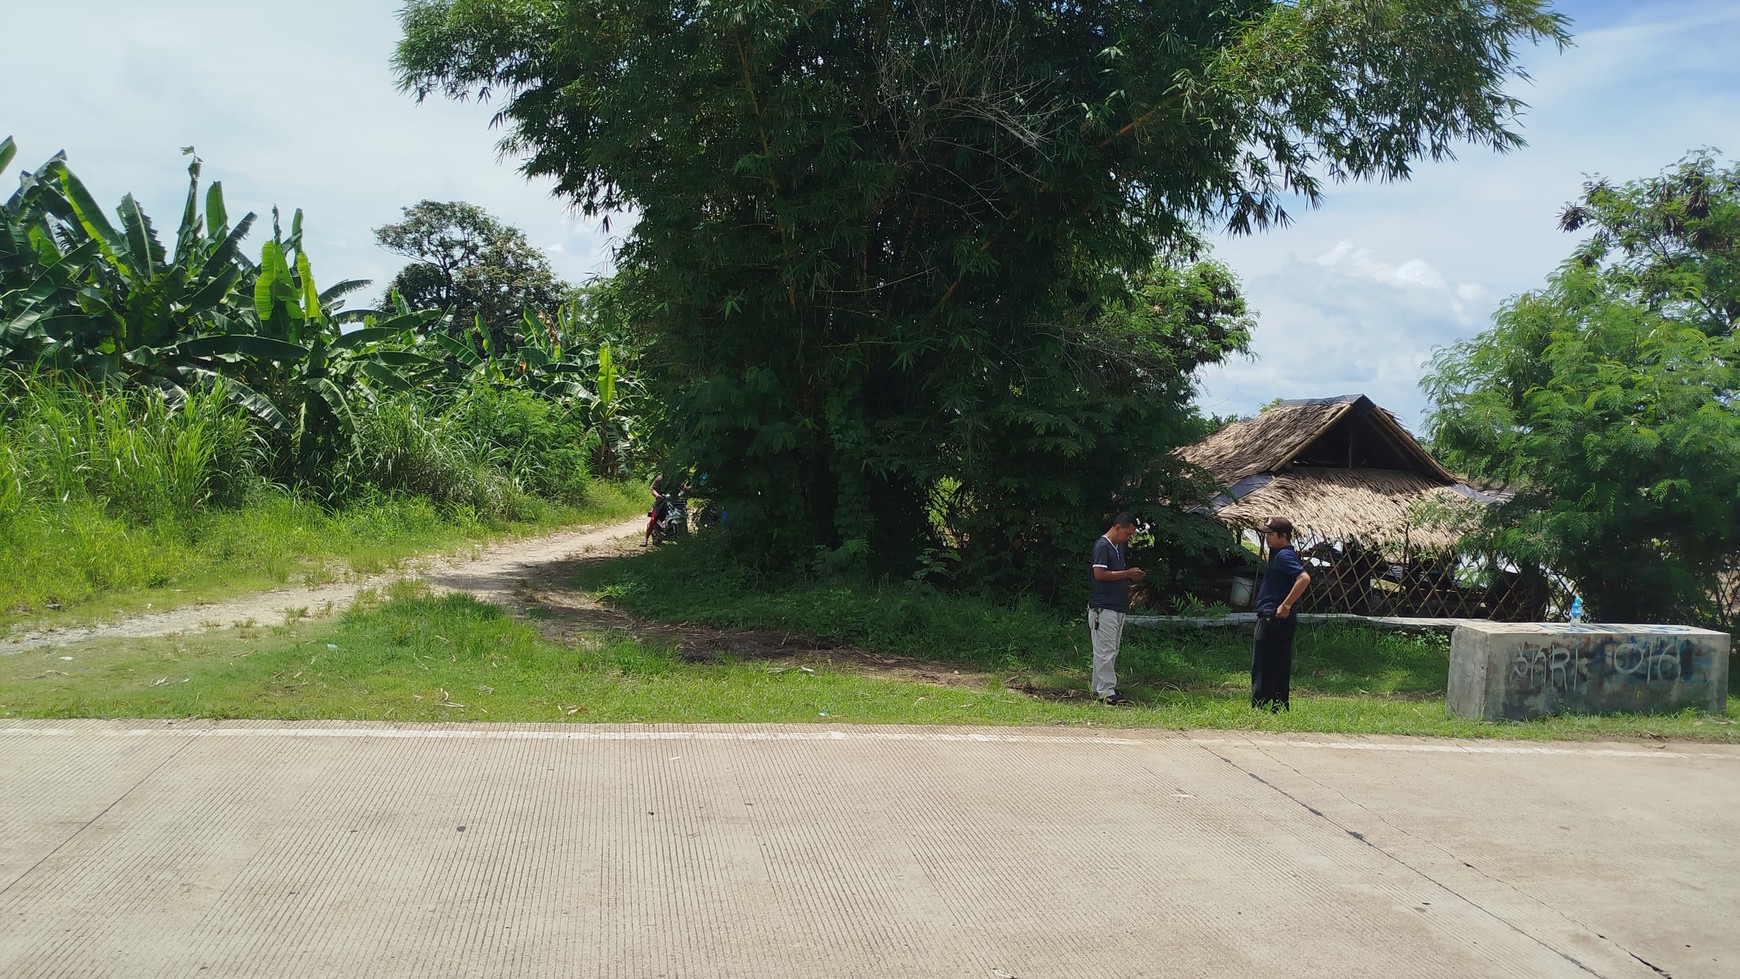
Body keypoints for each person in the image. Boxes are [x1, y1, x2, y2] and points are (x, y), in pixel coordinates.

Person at [1251, 516, 1312, 711]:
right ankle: (1277, 705)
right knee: (1278, 661)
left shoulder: (1284, 556)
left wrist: (1285, 605)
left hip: (1273, 615)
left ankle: (1260, 705)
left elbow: (1304, 578)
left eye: (1271, 534)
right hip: (1277, 616)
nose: (1267, 538)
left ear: (1283, 536)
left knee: (1262, 662)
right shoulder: (1280, 554)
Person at [1089, 512, 1145, 706]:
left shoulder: (1119, 546)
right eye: (1128, 534)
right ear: (1118, 527)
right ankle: (1106, 691)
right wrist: (1127, 574)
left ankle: (1099, 687)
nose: (1128, 538)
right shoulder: (1102, 546)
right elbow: (1099, 573)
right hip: (1103, 607)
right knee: (1105, 650)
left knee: (1110, 649)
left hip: (1117, 605)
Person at [644, 475, 668, 546]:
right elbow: (653, 489)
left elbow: (682, 487)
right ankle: (645, 539)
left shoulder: (676, 478)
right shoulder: (660, 479)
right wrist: (657, 495)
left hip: (673, 502)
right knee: (653, 519)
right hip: (661, 502)